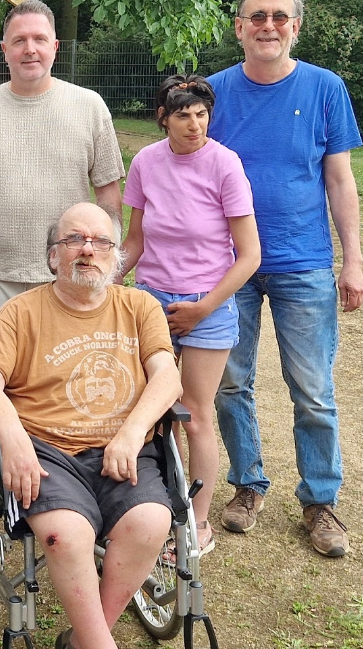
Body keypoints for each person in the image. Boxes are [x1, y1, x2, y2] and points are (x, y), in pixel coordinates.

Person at [0, 203, 182, 649]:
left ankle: (86, 639)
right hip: (46, 450)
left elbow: (168, 377)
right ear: (53, 256)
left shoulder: (140, 306)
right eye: (74, 240)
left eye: (100, 242)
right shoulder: (20, 313)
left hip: (124, 448)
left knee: (150, 522)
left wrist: (130, 433)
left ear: (115, 255)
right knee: (66, 535)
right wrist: (13, 440)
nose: (88, 250)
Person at [206, 0, 363, 558]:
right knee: (230, 381)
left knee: (314, 391)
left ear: (295, 27)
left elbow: (340, 180)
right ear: (240, 28)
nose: (268, 26)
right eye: (257, 17)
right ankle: (247, 486)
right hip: (230, 266)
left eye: (279, 17)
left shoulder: (325, 88)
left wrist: (353, 261)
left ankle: (320, 502)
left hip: (304, 263)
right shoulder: (215, 93)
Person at [119, 74, 260, 556]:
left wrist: (204, 307)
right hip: (152, 301)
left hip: (209, 304)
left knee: (196, 415)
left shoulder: (225, 164)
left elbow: (249, 255)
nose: (194, 124)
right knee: (152, 411)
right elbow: (134, 243)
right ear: (164, 118)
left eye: (201, 114)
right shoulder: (145, 162)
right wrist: (98, 277)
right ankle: (150, 509)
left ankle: (197, 522)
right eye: (183, 115)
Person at [0, 0, 125, 320]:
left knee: (66, 369)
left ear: (54, 46)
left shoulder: (90, 107)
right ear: (5, 49)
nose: (30, 49)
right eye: (19, 40)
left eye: (39, 39)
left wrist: (105, 259)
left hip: (68, 275)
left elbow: (109, 197)